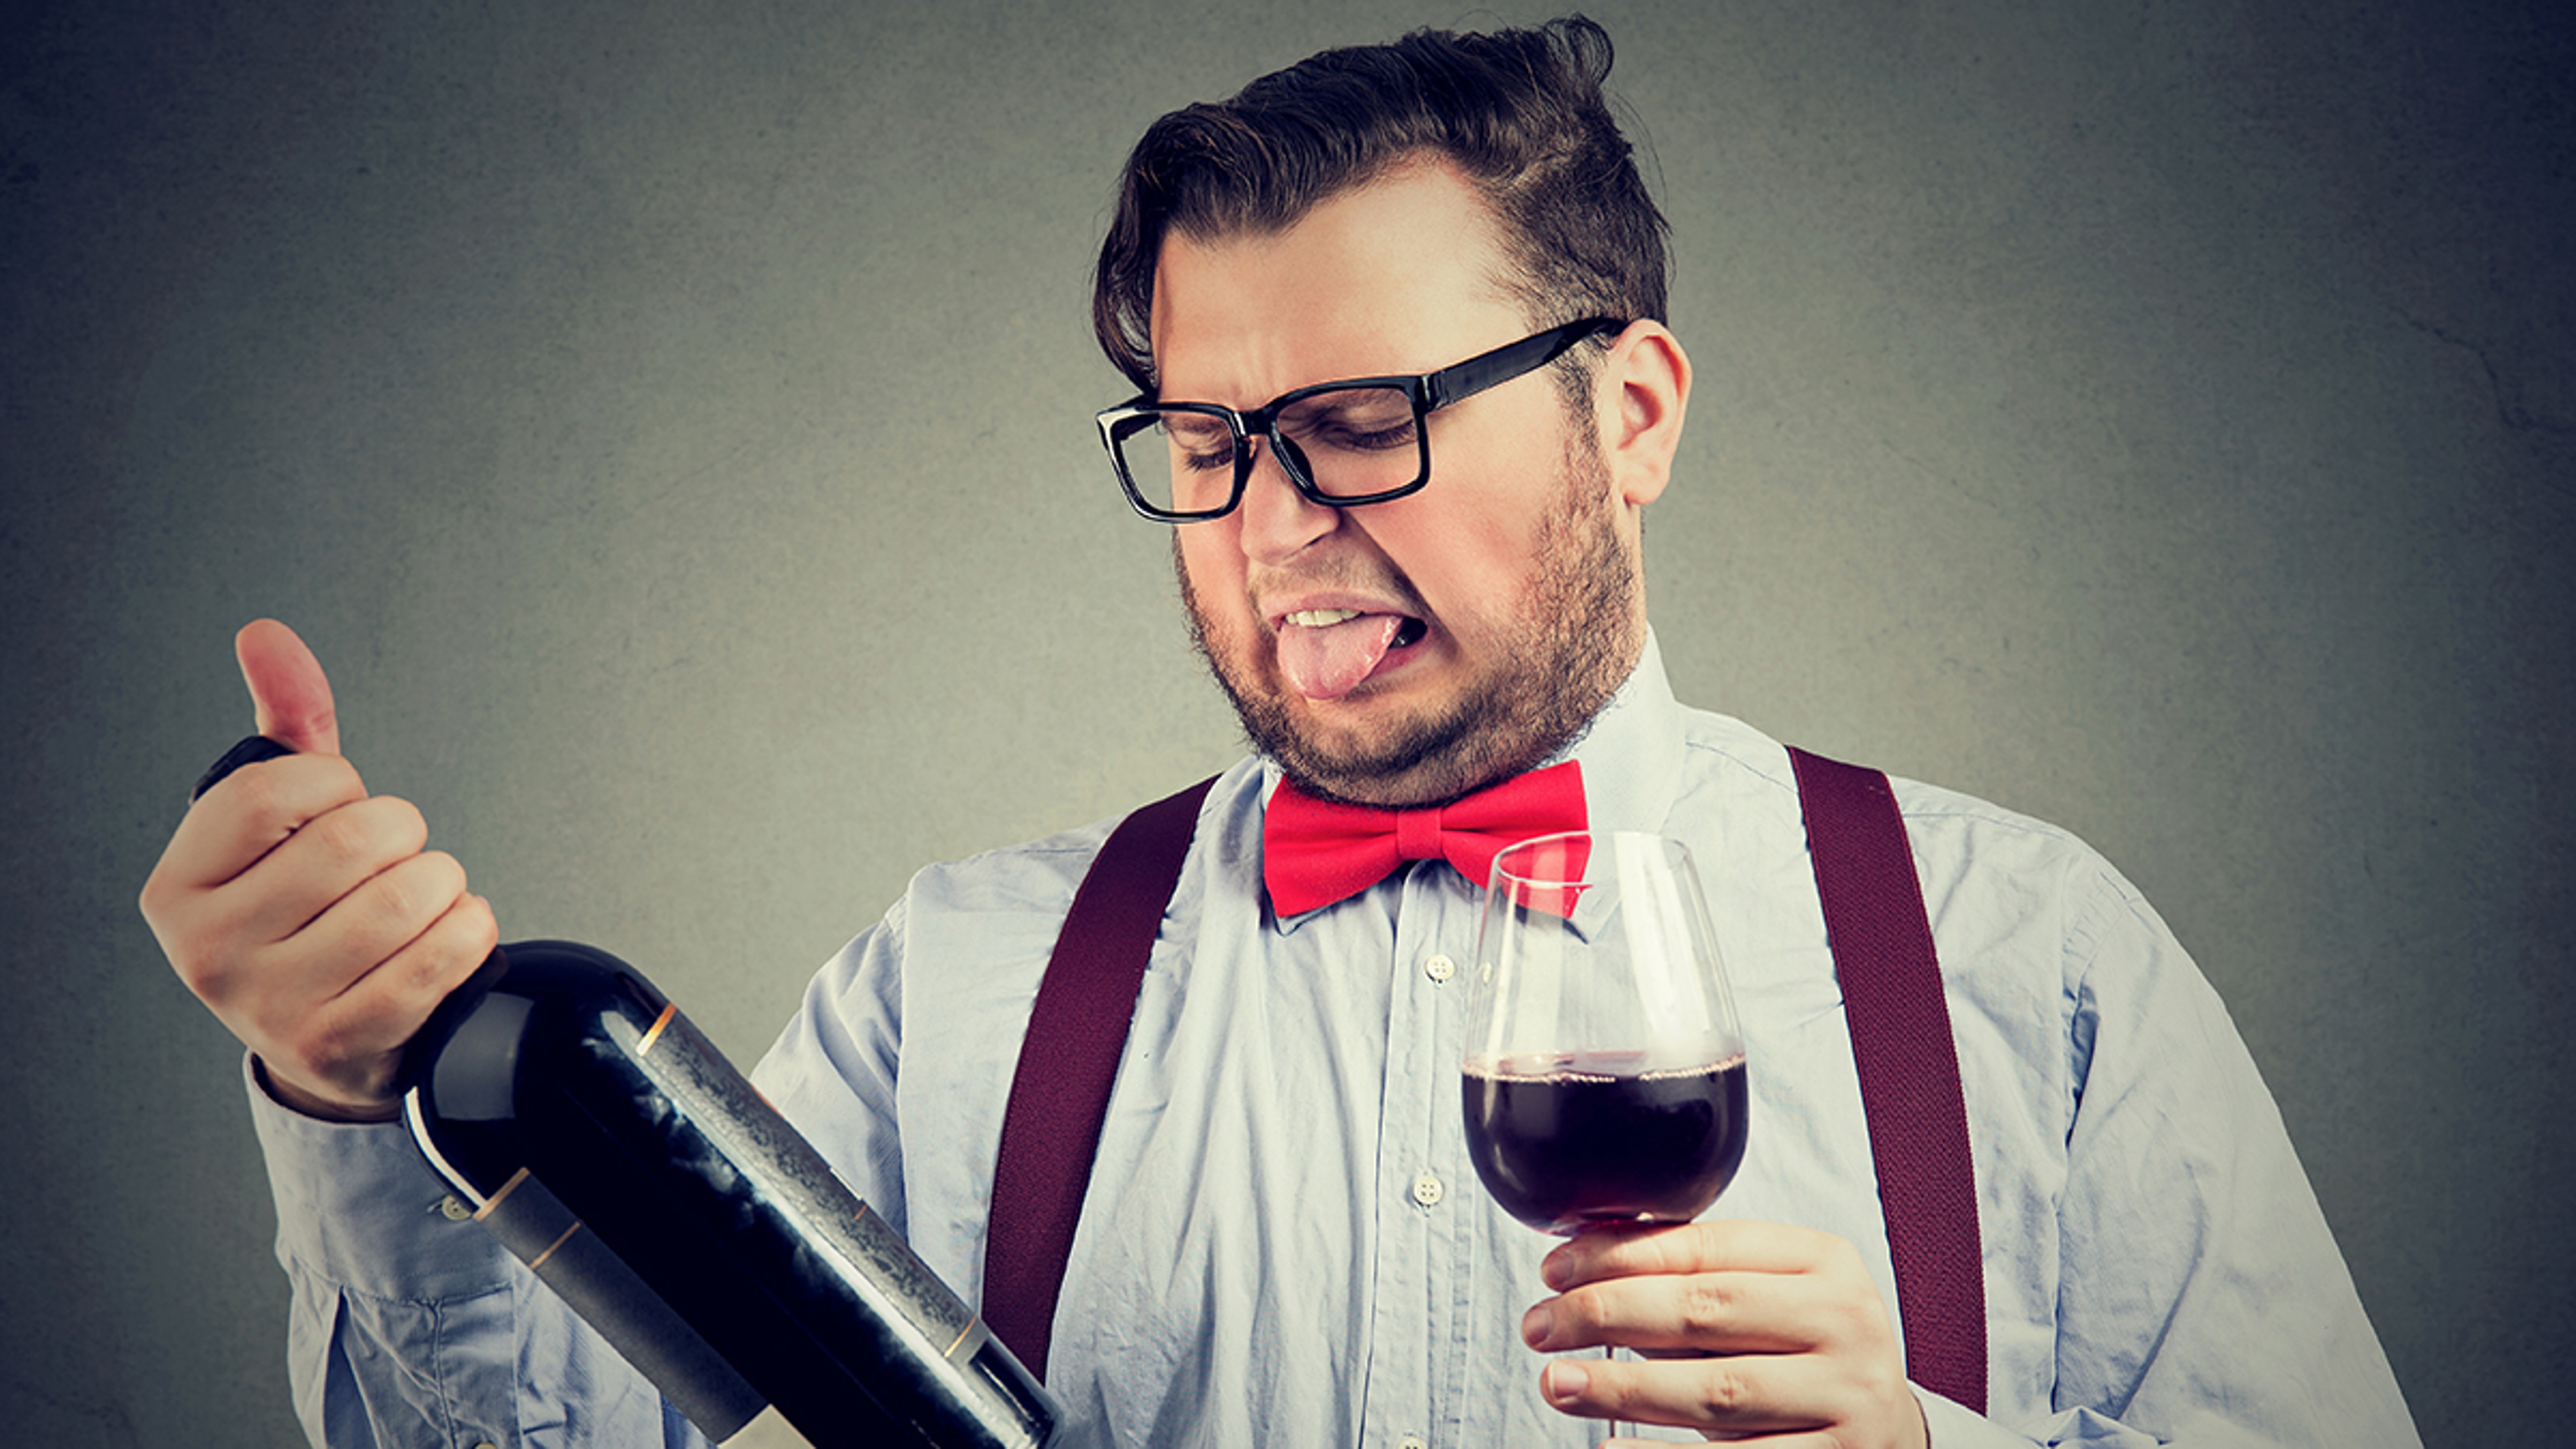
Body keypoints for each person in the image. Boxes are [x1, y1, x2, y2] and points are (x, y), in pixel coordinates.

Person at [141, 17, 2420, 1448]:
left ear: (1631, 414)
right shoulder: (964, 992)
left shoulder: (2037, 963)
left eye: (1359, 424)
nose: (1273, 529)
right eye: (1209, 442)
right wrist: (353, 1100)